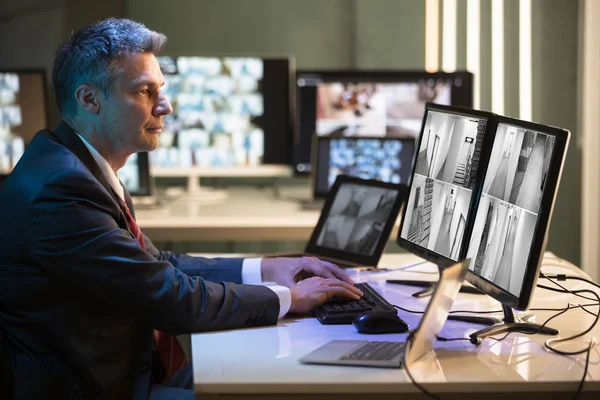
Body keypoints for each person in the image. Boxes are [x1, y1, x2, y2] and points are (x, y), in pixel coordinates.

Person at [0, 18, 363, 400]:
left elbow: (157, 264)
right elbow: (170, 299)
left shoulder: (73, 162)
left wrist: (267, 267)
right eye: (145, 91)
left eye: (162, 90)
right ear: (89, 99)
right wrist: (288, 298)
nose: (166, 106)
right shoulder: (62, 190)